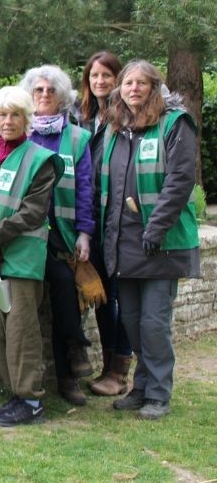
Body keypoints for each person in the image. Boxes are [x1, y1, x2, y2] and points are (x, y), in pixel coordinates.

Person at [101, 60, 199, 420]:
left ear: (155, 88)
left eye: (142, 83)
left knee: (154, 323)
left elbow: (179, 181)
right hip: (124, 244)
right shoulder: (116, 130)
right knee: (131, 320)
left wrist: (155, 229)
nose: (134, 89)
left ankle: (158, 393)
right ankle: (141, 387)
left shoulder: (175, 124)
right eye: (128, 83)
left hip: (161, 242)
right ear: (120, 89)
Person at [0, 86, 62, 428]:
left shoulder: (41, 160)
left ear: (27, 119)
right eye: (3, 115)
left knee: (21, 329)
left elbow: (32, 213)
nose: (8, 121)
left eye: (16, 115)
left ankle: (31, 399)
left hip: (20, 257)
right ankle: (14, 394)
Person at [19, 65, 95, 406]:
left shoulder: (77, 138)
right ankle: (74, 352)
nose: (45, 95)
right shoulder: (19, 132)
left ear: (62, 96)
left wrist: (84, 233)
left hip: (62, 234)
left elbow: (85, 189)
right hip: (26, 233)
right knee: (56, 289)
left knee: (64, 286)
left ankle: (68, 378)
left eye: (51, 91)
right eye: (38, 90)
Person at [77, 51, 133, 396]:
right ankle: (107, 367)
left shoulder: (124, 119)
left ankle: (119, 369)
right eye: (94, 76)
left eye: (106, 76)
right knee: (99, 294)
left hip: (118, 219)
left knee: (121, 294)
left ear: (118, 79)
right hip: (91, 218)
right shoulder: (83, 118)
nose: (100, 82)